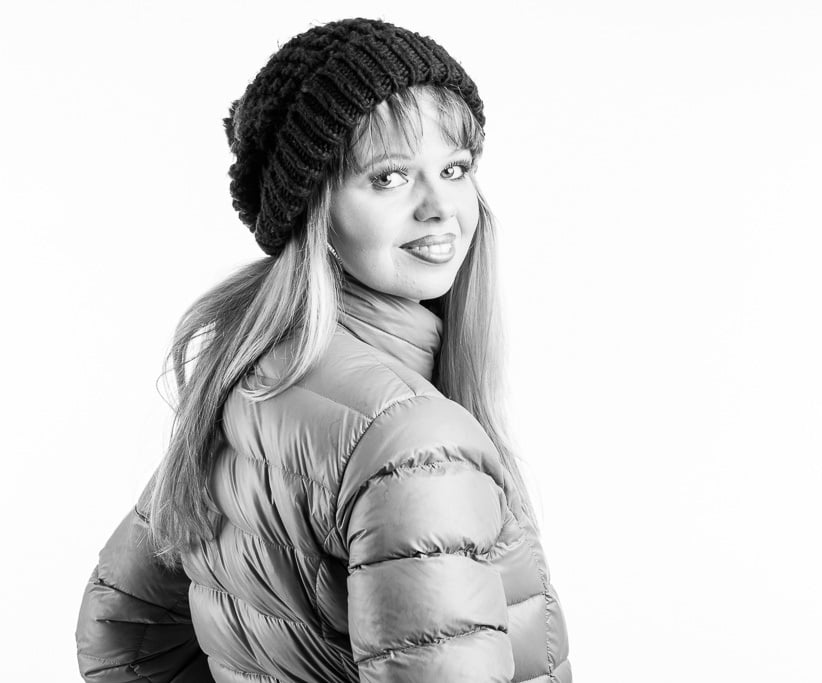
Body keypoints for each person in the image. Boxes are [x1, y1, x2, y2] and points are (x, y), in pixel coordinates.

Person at [75, 18, 572, 683]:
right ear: (313, 210)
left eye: (455, 168)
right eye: (389, 177)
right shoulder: (413, 442)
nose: (440, 206)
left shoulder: (245, 381)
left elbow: (121, 629)